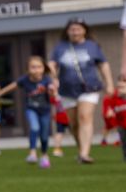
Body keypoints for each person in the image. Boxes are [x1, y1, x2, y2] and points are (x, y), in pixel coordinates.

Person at [48, 16, 114, 164]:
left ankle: (85, 153)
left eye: (78, 29)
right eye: (72, 29)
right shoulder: (60, 47)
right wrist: (53, 76)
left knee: (85, 117)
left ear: (84, 30)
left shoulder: (92, 46)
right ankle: (81, 149)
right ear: (67, 31)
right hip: (67, 90)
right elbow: (52, 64)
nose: (75, 32)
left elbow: (103, 65)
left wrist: (108, 83)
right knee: (74, 123)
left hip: (89, 88)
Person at [0, 56, 55, 168]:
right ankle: (32, 152)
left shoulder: (47, 79)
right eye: (33, 67)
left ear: (43, 68)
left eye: (39, 67)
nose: (36, 70)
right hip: (31, 109)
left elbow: (52, 93)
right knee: (35, 128)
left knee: (44, 136)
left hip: (45, 111)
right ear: (27, 69)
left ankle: (44, 155)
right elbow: (12, 87)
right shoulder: (25, 79)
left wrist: (52, 90)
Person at [108, 78, 126, 162]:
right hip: (121, 125)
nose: (119, 89)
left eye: (122, 87)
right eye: (118, 87)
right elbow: (110, 108)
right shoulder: (115, 99)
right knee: (123, 142)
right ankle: (125, 157)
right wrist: (109, 111)